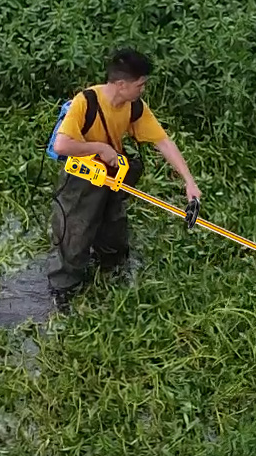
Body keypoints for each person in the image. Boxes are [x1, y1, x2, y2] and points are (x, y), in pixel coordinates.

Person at [46, 48, 200, 308]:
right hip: (82, 178)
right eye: (140, 85)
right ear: (121, 84)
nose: (143, 90)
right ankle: (64, 290)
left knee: (113, 223)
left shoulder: (134, 106)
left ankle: (112, 267)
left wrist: (189, 181)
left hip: (111, 173)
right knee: (75, 231)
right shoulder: (86, 102)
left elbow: (163, 142)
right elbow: (61, 145)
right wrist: (99, 148)